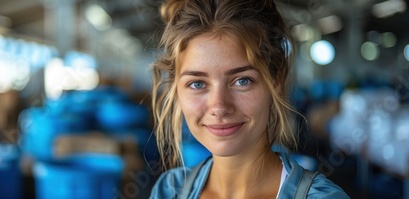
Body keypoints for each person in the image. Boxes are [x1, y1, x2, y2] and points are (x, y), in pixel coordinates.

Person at [149, 0, 349, 198]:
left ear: (276, 80)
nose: (219, 106)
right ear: (176, 89)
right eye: (197, 84)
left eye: (242, 81)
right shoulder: (169, 191)